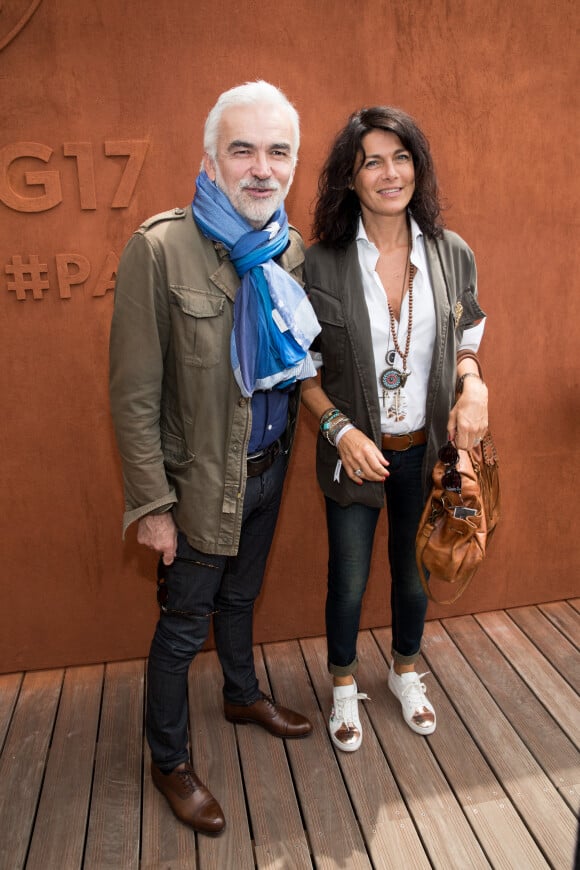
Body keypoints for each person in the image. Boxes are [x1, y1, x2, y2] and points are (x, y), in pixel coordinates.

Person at [109, 81, 320, 834]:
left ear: (293, 164)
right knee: (179, 630)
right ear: (210, 159)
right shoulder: (158, 249)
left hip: (268, 474)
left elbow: (296, 367)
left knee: (240, 601)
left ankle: (240, 693)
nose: (261, 168)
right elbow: (133, 398)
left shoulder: (289, 249)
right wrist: (153, 510)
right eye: (243, 149)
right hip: (195, 490)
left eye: (277, 151)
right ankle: (170, 762)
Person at [301, 107, 488, 751]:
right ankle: (345, 686)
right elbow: (302, 368)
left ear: (418, 166)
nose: (390, 172)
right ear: (348, 178)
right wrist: (338, 431)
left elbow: (467, 338)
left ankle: (407, 670)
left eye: (401, 156)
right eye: (371, 161)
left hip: (426, 454)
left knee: (414, 574)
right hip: (355, 455)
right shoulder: (318, 261)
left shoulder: (450, 251)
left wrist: (476, 384)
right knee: (348, 579)